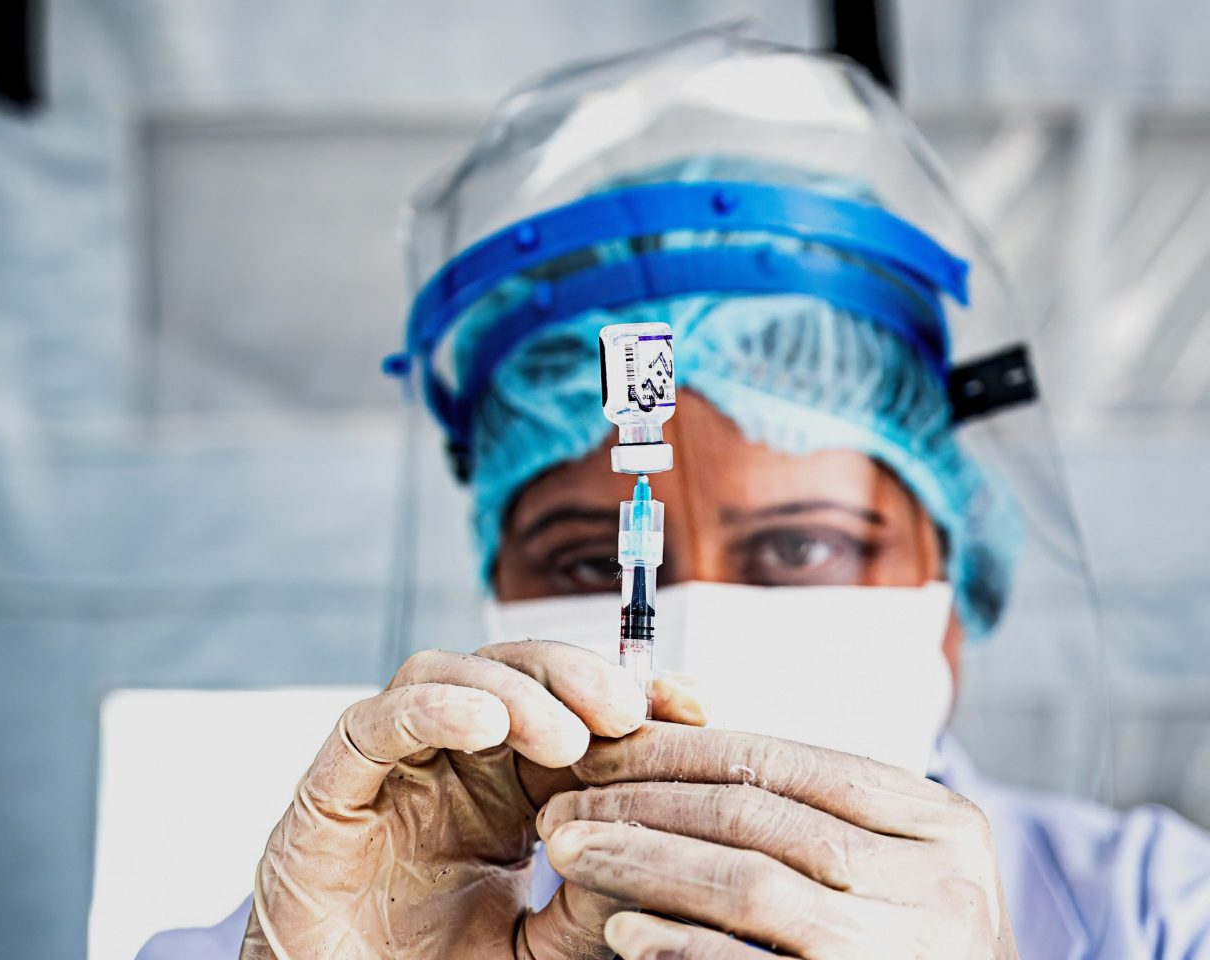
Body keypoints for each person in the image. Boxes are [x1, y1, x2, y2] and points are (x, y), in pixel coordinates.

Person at [138, 29, 1210, 960]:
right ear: (492, 586)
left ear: (950, 586)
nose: (685, 633)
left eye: (801, 549)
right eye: (583, 563)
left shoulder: (1157, 912)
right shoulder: (337, 927)